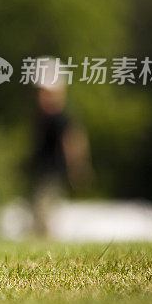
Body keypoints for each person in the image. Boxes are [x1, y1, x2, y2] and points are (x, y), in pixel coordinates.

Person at [24, 59, 93, 236]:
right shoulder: (43, 117)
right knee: (38, 213)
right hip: (42, 173)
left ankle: (45, 250)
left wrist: (78, 167)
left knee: (43, 214)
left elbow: (73, 140)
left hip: (52, 174)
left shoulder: (60, 117)